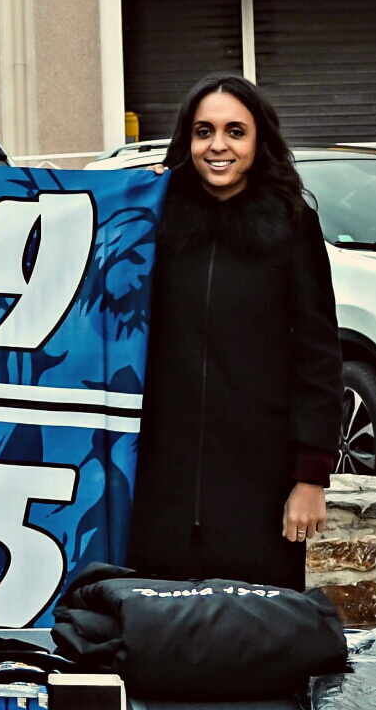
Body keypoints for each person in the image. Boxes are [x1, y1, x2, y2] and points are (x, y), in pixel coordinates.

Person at [130, 75, 344, 592]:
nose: (218, 146)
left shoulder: (293, 224)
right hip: (159, 481)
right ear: (187, 140)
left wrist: (311, 477)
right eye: (204, 132)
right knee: (159, 638)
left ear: (258, 140)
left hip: (259, 484)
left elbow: (319, 353)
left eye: (235, 131)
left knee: (253, 640)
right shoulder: (150, 220)